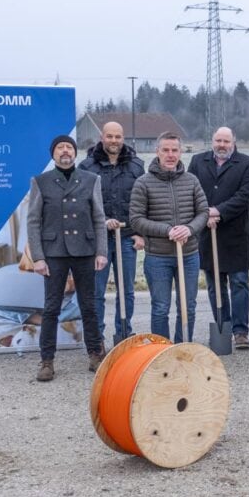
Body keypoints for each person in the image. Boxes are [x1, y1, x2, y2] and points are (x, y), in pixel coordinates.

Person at [27, 135, 109, 381]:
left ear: (75, 152)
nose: (65, 151)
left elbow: (99, 218)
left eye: (69, 147)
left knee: (89, 306)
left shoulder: (91, 180)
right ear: (53, 154)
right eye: (60, 147)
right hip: (54, 252)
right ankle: (47, 361)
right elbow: (33, 222)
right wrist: (38, 257)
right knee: (51, 308)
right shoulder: (40, 182)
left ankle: (95, 355)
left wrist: (101, 251)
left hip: (85, 250)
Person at [129, 132, 209, 344]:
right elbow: (136, 219)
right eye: (166, 150)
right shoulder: (143, 183)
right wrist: (167, 230)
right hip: (158, 257)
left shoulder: (191, 181)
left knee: (187, 306)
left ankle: (183, 348)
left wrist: (189, 229)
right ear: (157, 152)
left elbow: (203, 212)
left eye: (175, 150)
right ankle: (162, 350)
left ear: (180, 152)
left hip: (189, 256)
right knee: (160, 307)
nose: (170, 154)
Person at [189, 126, 249, 349]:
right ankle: (223, 327)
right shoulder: (198, 162)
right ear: (212, 141)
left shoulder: (246, 163)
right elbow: (191, 191)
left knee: (239, 283)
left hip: (235, 234)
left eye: (226, 141)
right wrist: (204, 214)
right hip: (207, 233)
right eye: (218, 140)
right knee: (214, 286)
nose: (222, 145)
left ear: (233, 142)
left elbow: (245, 195)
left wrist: (217, 211)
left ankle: (240, 331)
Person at [79, 121, 145, 345]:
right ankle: (96, 341)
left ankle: (124, 335)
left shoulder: (136, 166)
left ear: (123, 138)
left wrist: (139, 233)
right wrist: (102, 222)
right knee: (96, 293)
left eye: (118, 136)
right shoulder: (87, 167)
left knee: (126, 291)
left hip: (126, 238)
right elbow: (82, 203)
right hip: (98, 240)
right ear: (102, 138)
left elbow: (142, 203)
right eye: (110, 136)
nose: (114, 141)